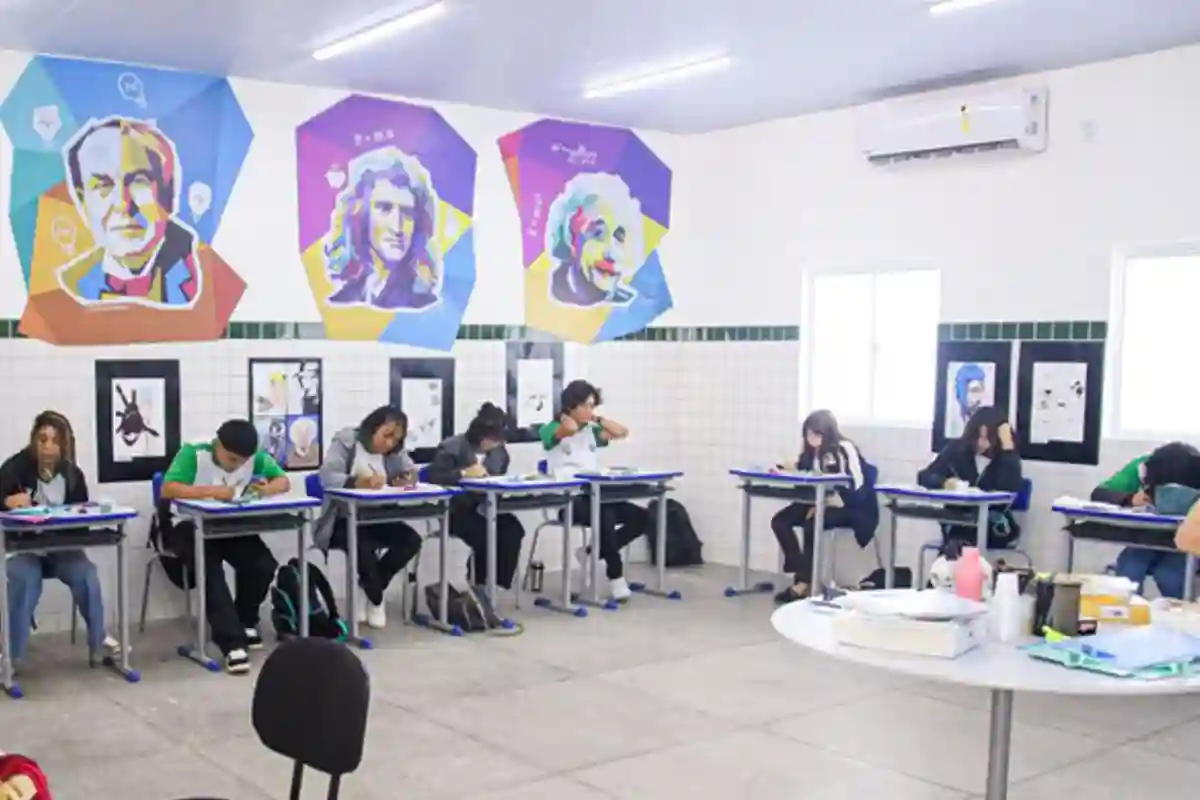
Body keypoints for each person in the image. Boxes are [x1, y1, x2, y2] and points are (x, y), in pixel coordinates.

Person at [158, 419, 290, 673]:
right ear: (218, 444)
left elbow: (282, 481)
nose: (238, 466)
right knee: (209, 569)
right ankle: (232, 644)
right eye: (232, 460)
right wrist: (214, 492)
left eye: (243, 461)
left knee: (262, 563)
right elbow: (168, 488)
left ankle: (244, 619)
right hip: (186, 525)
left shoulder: (254, 456)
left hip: (227, 524)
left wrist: (262, 490)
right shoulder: (194, 453)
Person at [2, 411, 121, 670]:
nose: (48, 447)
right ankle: (9, 657)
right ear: (33, 440)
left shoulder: (72, 474)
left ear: (64, 445)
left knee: (87, 574)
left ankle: (99, 642)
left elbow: (81, 520)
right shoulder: (14, 468)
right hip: (23, 550)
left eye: (55, 441)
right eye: (42, 439)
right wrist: (5, 502)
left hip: (62, 550)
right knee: (25, 580)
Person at [58, 117, 200, 306]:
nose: (122, 204)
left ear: (169, 194)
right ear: (82, 202)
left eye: (139, 181)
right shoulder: (71, 283)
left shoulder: (200, 273)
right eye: (103, 185)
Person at [314, 405, 423, 629]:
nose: (390, 443)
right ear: (373, 427)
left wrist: (408, 477)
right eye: (387, 435)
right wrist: (356, 482)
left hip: (378, 517)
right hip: (341, 520)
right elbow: (327, 477)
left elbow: (411, 470)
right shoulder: (346, 442)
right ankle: (376, 599)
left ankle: (370, 589)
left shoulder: (394, 451)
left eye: (396, 439)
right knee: (363, 547)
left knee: (411, 540)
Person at [540, 380, 646, 601]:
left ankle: (590, 553)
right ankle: (615, 576)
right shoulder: (549, 428)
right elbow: (568, 429)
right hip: (568, 500)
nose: (591, 410)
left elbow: (621, 432)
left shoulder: (591, 431)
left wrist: (595, 418)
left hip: (595, 494)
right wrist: (567, 417)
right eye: (586, 405)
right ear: (571, 406)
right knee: (605, 515)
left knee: (642, 518)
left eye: (593, 405)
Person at [771, 410, 878, 604]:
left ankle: (803, 582)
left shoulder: (844, 448)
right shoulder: (812, 453)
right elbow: (806, 473)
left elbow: (856, 484)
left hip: (852, 506)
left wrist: (824, 504)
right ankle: (801, 568)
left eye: (817, 434)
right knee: (780, 521)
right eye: (809, 434)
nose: (813, 439)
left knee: (812, 524)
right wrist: (786, 468)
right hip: (819, 501)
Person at [428, 403, 523, 609]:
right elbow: (434, 477)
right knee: (486, 534)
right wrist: (462, 474)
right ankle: (478, 584)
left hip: (487, 507)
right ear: (482, 438)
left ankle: (495, 584)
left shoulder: (500, 453)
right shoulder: (452, 446)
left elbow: (497, 477)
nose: (497, 444)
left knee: (513, 529)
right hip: (457, 510)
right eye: (494, 440)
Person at [324, 146, 441, 310]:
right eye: (384, 208)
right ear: (360, 214)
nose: (397, 227)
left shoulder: (423, 304)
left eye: (407, 212)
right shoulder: (343, 299)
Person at [1094, 442, 1200, 598]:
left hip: (1185, 545)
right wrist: (1129, 499)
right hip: (1147, 540)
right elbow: (1099, 494)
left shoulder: (1195, 467)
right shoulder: (1142, 467)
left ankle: (1181, 618)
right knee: (1130, 569)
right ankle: (1125, 616)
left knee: (1171, 576)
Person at [918, 405, 1022, 550]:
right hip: (958, 519)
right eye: (978, 436)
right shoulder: (957, 450)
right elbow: (924, 476)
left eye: (988, 438)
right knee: (957, 536)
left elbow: (1009, 490)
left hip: (994, 525)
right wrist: (944, 482)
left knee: (960, 542)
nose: (981, 443)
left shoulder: (1006, 458)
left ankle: (959, 556)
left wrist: (1008, 446)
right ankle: (955, 560)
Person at [545, 174, 639, 307]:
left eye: (619, 237)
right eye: (598, 234)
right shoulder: (557, 291)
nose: (612, 254)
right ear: (571, 238)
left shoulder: (627, 300)